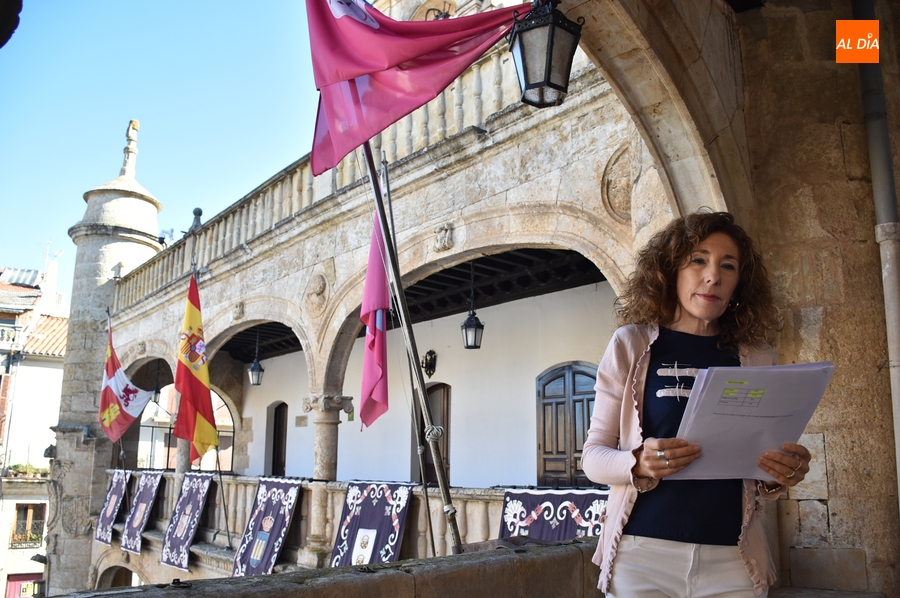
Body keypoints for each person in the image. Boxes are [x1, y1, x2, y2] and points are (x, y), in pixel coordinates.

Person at [582, 210, 811, 598]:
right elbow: (593, 458)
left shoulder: (758, 356)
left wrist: (781, 471)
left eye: (728, 266)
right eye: (698, 260)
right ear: (670, 270)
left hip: (734, 560)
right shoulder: (631, 344)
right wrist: (637, 462)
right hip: (642, 557)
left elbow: (760, 464)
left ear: (739, 282)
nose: (713, 276)